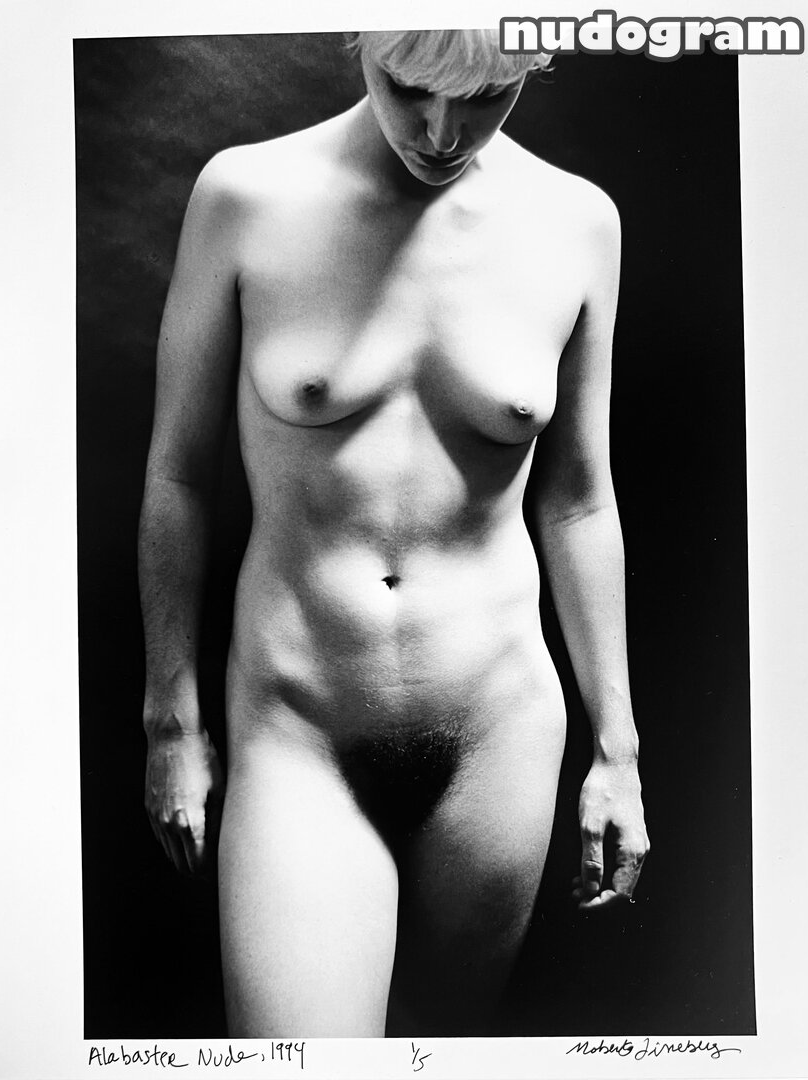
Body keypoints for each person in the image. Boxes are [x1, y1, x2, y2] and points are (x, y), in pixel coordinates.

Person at [139, 28, 649, 1038]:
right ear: (361, 38)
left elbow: (579, 500)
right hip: (301, 726)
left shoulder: (577, 223)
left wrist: (618, 753)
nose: (441, 132)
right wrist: (171, 723)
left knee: (438, 1051)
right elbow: (178, 477)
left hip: (498, 734)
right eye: (408, 86)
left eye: (486, 96)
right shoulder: (247, 198)